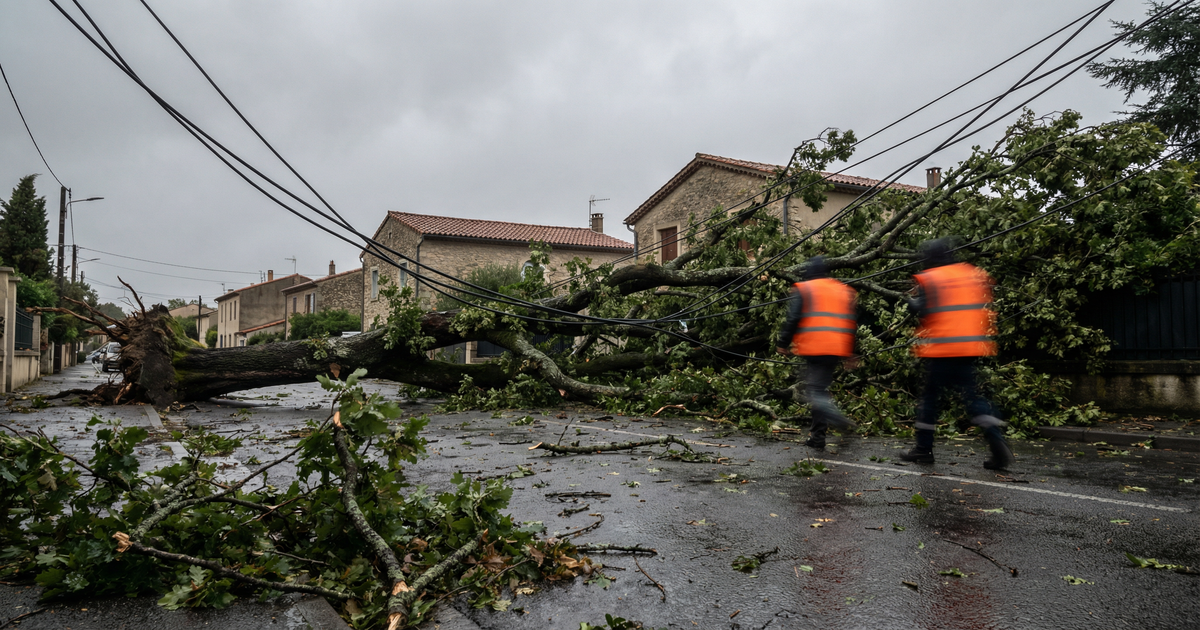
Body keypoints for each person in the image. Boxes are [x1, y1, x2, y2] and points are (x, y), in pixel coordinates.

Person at [899, 238, 1014, 470]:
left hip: (942, 347)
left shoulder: (932, 278)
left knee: (930, 400)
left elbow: (923, 309)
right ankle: (996, 439)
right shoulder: (969, 274)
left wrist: (909, 300)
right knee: (973, 398)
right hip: (969, 347)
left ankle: (923, 449)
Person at [776, 255, 858, 450]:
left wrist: (783, 343)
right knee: (819, 389)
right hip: (836, 348)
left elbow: (794, 317)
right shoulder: (841, 289)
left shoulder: (805, 289)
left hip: (815, 346)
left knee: (815, 392)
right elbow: (850, 322)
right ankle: (817, 437)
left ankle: (838, 420)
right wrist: (850, 352)